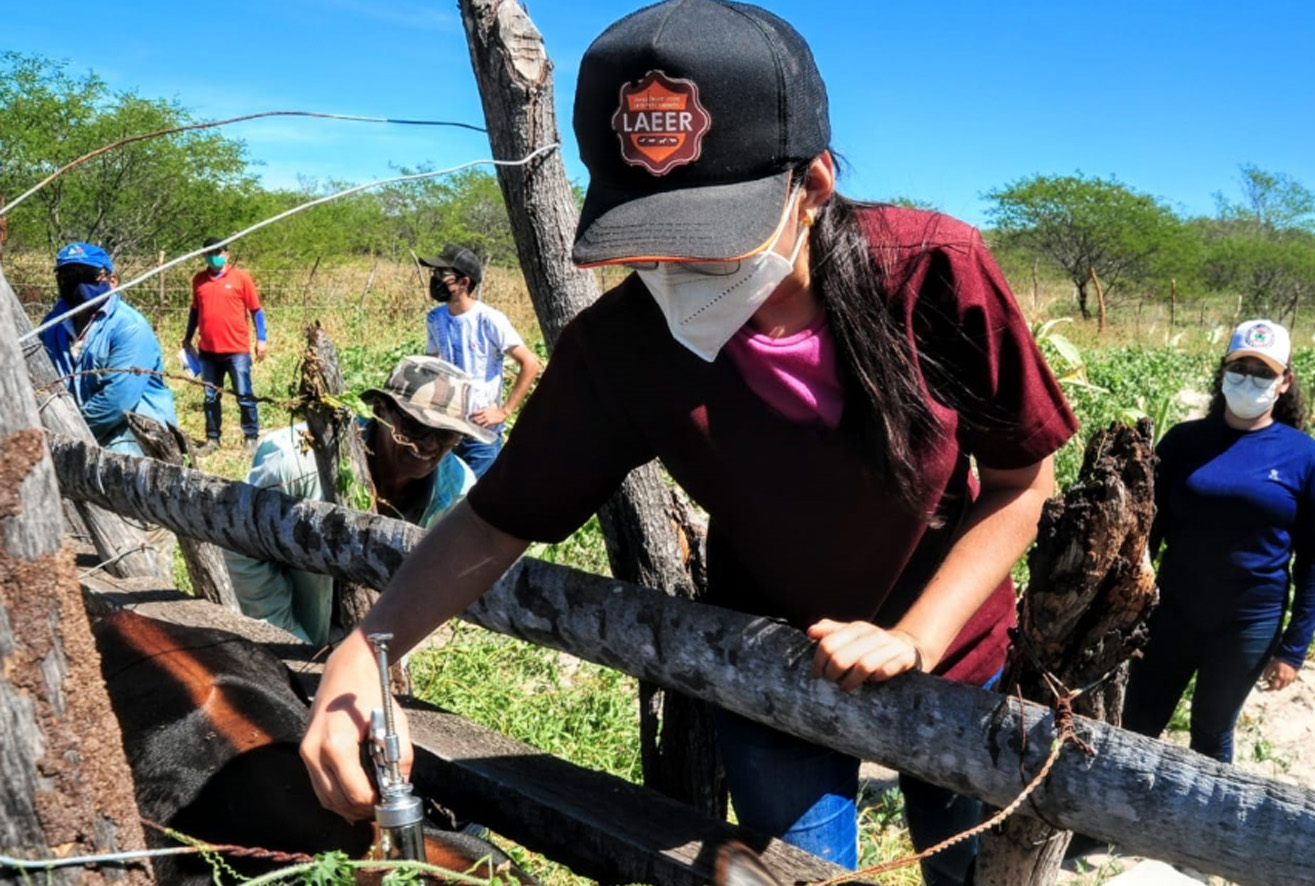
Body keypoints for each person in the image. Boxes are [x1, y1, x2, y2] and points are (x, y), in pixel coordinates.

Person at [303, 2, 1077, 883]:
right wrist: (367, 654)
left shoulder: (931, 273)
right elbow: (494, 520)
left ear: (811, 187)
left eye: (704, 245)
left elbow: (1021, 481)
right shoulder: (626, 346)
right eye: (647, 244)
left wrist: (915, 639)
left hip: (957, 651)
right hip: (769, 662)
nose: (672, 275)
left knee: (972, 866)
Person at [1122, 319, 1315, 764]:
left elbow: (1311, 564)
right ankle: (1103, 831)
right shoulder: (1185, 441)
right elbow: (1147, 532)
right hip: (1171, 612)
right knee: (1137, 721)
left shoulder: (1302, 455)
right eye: (1240, 367)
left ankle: (1202, 832)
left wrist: (1293, 649)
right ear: (1223, 372)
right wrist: (1128, 604)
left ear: (1285, 382)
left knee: (1211, 732)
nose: (1250, 380)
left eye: (1264, 372)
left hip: (1248, 623)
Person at [224, 356, 486, 647]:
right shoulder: (294, 464)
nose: (429, 444)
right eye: (414, 427)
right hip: (293, 625)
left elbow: (430, 579)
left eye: (447, 435)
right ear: (380, 410)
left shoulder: (456, 490)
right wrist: (286, 637)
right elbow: (243, 546)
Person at [39, 242, 178, 455]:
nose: (77, 284)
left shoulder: (129, 327)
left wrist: (70, 431)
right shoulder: (52, 324)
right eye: (68, 276)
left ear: (112, 281)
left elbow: (118, 400)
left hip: (131, 438)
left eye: (88, 275)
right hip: (72, 435)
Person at [419, 244, 541, 477]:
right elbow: (432, 362)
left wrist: (504, 411)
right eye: (434, 274)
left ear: (464, 283)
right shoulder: (435, 318)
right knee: (446, 495)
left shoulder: (489, 319)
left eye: (442, 275)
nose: (435, 280)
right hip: (447, 425)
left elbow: (531, 363)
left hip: (481, 431)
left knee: (474, 501)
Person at [184, 237, 269, 455]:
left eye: (219, 252)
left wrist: (262, 339)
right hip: (208, 351)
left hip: (236, 350)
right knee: (211, 397)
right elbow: (195, 312)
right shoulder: (199, 280)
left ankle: (251, 437)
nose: (215, 257)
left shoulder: (241, 278)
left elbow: (256, 311)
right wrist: (187, 337)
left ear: (227, 254)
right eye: (210, 253)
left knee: (244, 394)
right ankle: (213, 439)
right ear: (204, 256)